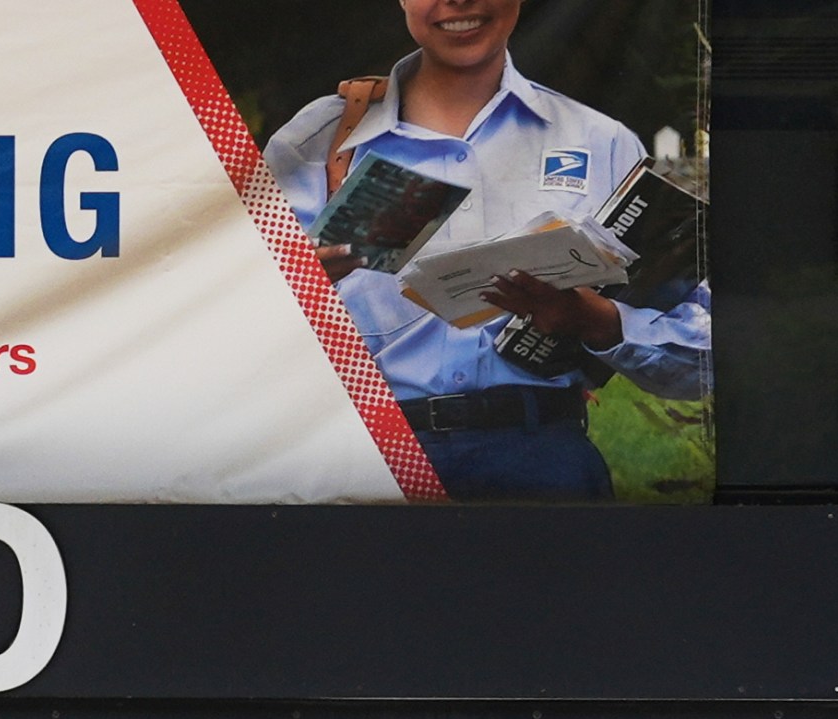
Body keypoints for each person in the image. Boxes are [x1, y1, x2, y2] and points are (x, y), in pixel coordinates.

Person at [264, 0, 710, 501]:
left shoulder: (599, 141)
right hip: (369, 458)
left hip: (544, 461)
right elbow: (229, 329)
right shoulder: (320, 138)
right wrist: (299, 284)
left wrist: (595, 319)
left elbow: (703, 358)